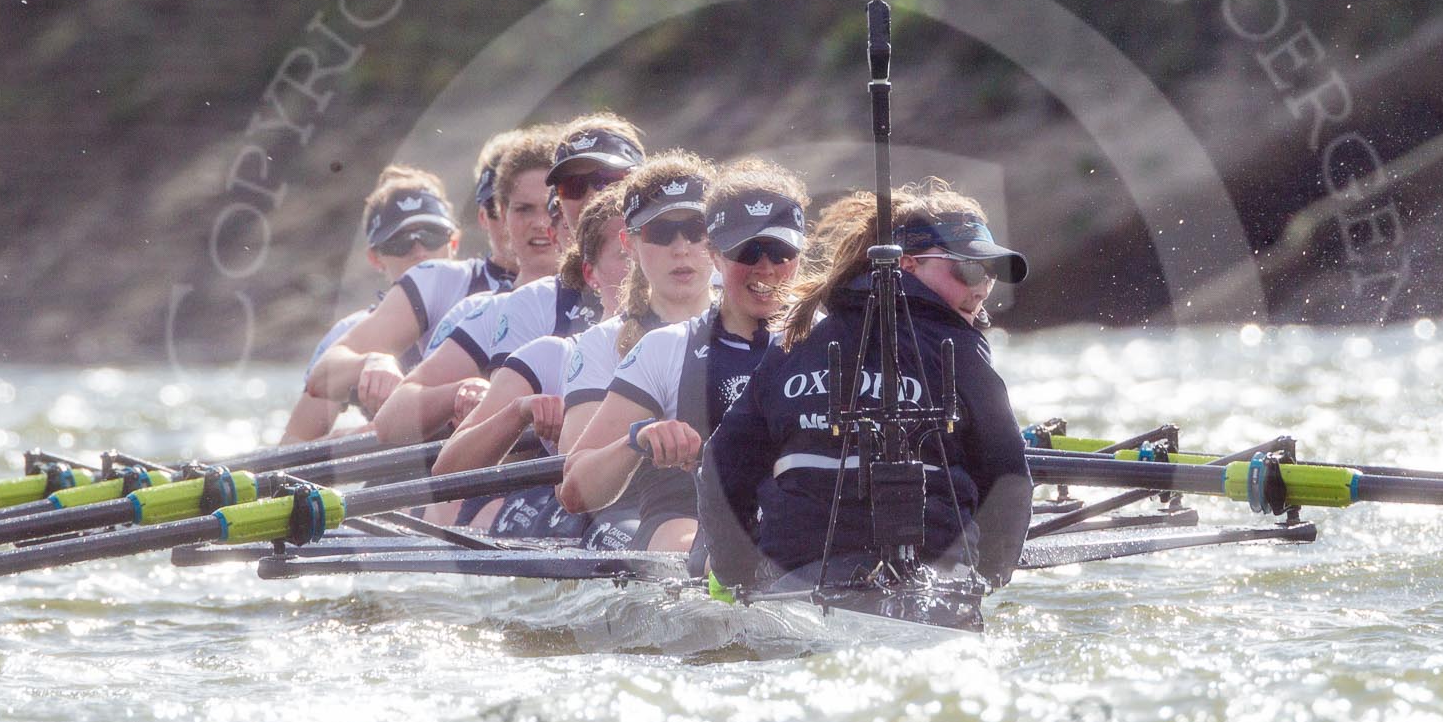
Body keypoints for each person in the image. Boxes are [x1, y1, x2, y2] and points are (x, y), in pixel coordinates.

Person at [696, 180, 1033, 596]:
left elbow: (720, 469)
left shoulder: (797, 342)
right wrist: (992, 579)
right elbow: (1010, 476)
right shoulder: (962, 350)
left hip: (797, 585)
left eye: (990, 274)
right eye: (967, 269)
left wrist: (738, 577)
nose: (981, 287)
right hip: (933, 585)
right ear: (908, 266)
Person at [559, 159, 809, 551]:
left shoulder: (835, 340)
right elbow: (573, 491)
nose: (766, 269)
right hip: (687, 528)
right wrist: (637, 440)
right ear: (716, 255)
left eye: (780, 253)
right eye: (747, 252)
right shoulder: (665, 348)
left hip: (801, 533)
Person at [373, 116, 646, 444]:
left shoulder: (697, 279)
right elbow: (391, 424)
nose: (592, 198)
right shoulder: (516, 306)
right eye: (574, 187)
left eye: (608, 180)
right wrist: (462, 393)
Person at [308, 126, 559, 426]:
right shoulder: (456, 295)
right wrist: (373, 362)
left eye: (552, 206)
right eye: (523, 209)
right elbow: (321, 381)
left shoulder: (607, 291)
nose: (541, 223)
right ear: (493, 215)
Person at [280, 164, 464, 443]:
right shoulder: (350, 337)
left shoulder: (491, 305)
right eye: (400, 242)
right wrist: (359, 439)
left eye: (431, 235)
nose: (419, 251)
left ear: (454, 242)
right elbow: (293, 447)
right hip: (400, 473)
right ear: (375, 258)